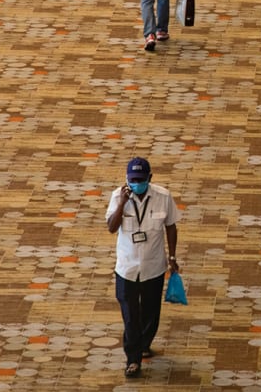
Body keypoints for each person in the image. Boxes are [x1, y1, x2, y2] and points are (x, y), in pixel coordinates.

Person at [106, 157, 181, 379]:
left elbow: (171, 226)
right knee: (130, 315)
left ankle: (144, 343)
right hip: (127, 268)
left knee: (150, 311)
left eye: (140, 180)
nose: (136, 184)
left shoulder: (163, 197)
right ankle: (133, 359)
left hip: (153, 266)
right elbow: (111, 227)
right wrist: (122, 203)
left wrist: (172, 256)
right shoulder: (118, 196)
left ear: (150, 177)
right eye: (133, 180)